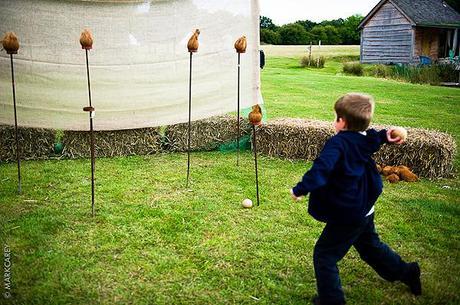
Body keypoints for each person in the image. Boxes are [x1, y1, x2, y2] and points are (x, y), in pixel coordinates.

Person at [290, 93, 421, 305]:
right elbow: (377, 138)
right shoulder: (364, 138)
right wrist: (391, 134)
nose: (334, 121)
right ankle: (408, 272)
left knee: (325, 255)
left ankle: (331, 301)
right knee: (371, 248)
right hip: (364, 209)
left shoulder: (337, 144)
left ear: (342, 122)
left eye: (335, 117)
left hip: (348, 213)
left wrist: (301, 189)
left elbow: (322, 168)